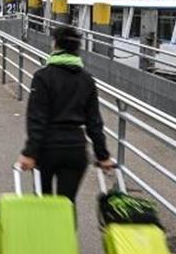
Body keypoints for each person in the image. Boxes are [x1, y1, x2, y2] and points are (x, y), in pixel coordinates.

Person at [17, 24, 113, 203]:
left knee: (43, 203)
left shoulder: (43, 77)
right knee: (67, 204)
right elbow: (94, 123)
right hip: (75, 150)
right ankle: (67, 230)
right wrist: (103, 156)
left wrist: (30, 152)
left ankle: (46, 231)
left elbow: (37, 119)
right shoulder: (86, 79)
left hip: (47, 149)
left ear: (55, 45)